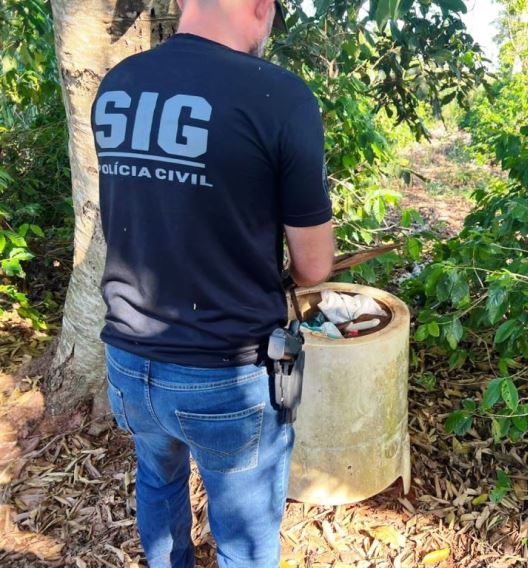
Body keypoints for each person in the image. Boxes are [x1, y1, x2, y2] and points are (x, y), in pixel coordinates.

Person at [90, 0, 335, 565]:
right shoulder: (279, 96)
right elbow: (314, 267)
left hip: (129, 359)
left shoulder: (119, 84)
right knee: (243, 540)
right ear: (261, 7)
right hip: (226, 373)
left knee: (157, 481)